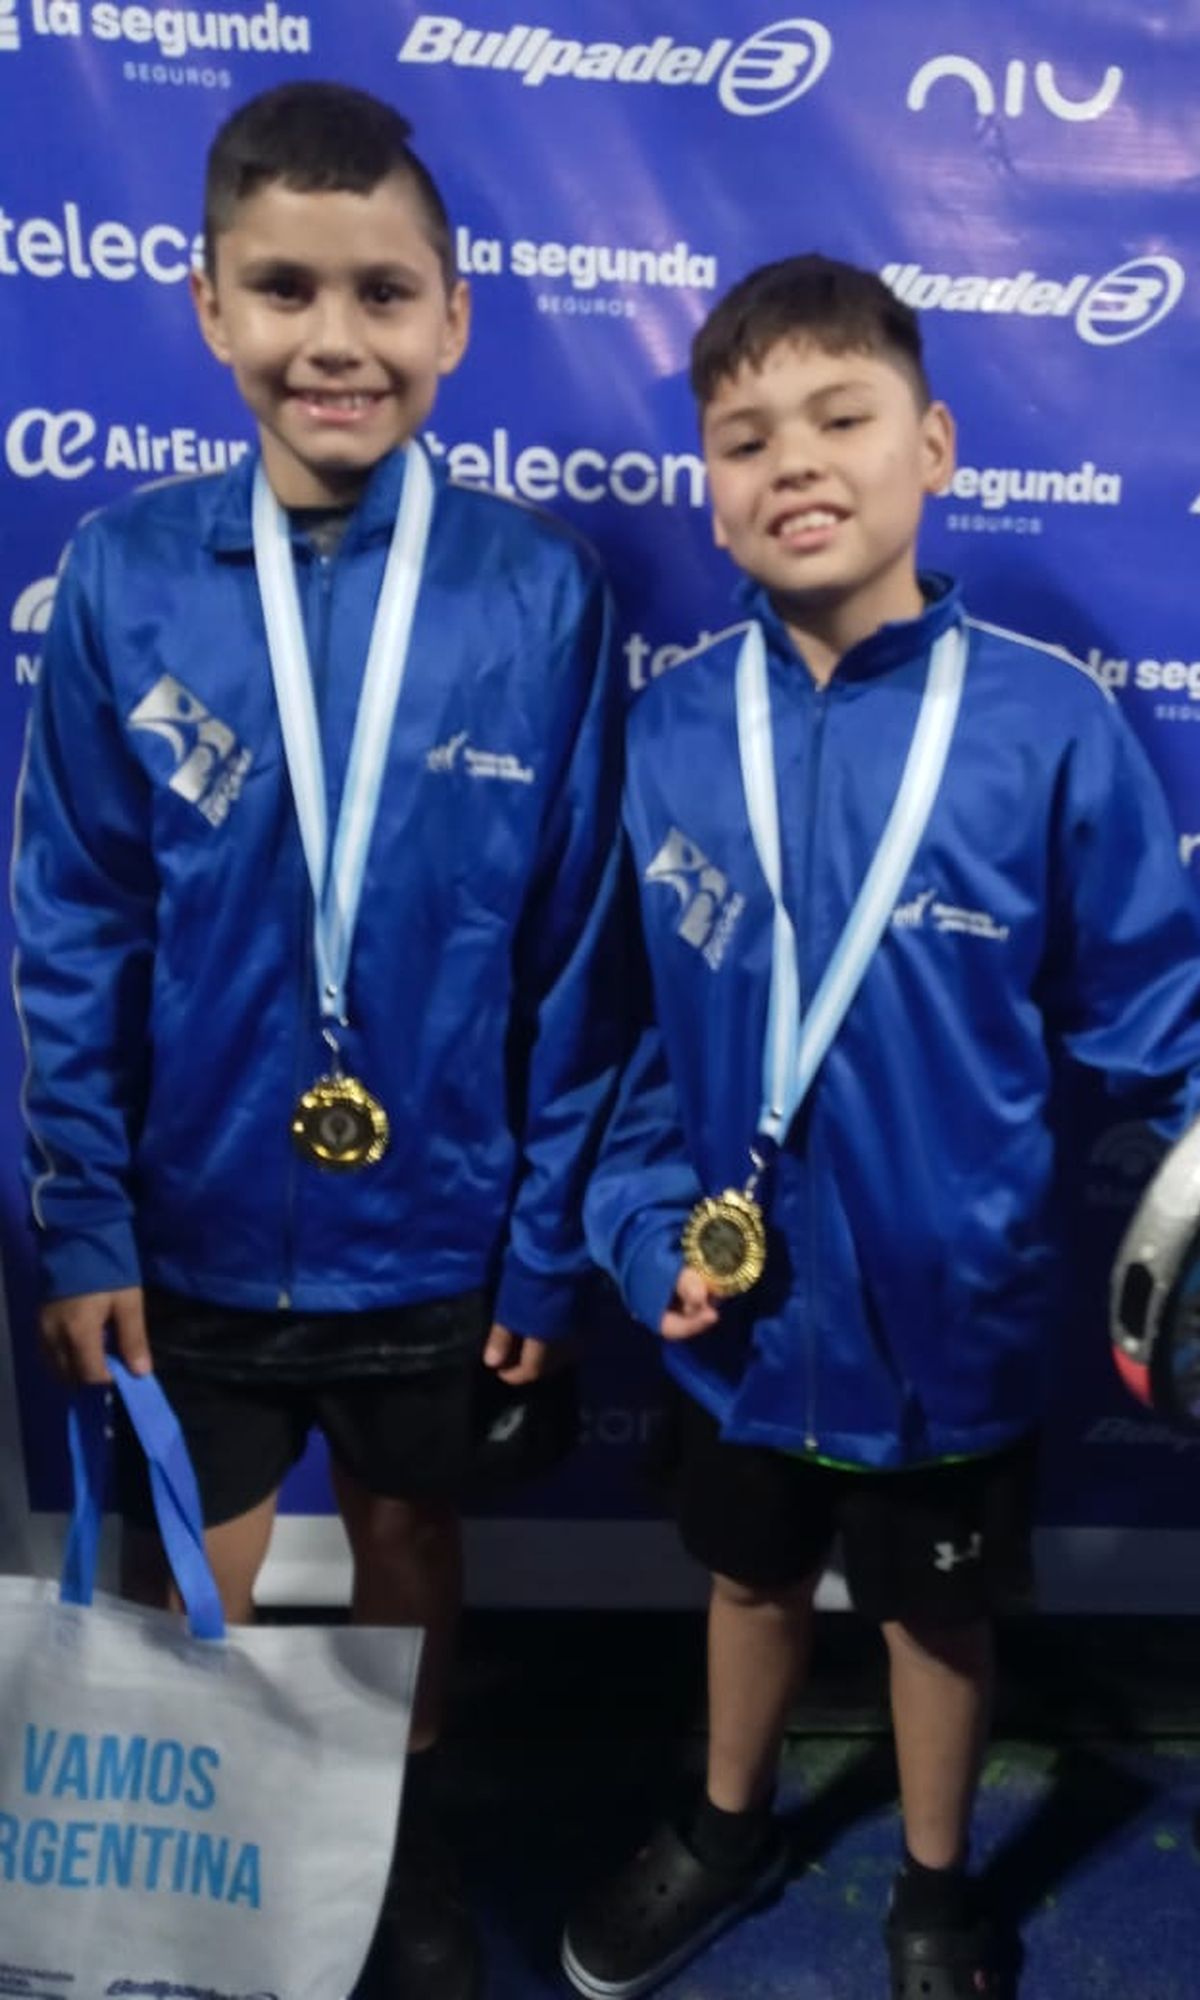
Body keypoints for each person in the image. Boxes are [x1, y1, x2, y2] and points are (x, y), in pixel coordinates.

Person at [567, 253, 1200, 2000]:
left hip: (948, 1326)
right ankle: (728, 1824)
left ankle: (938, 1891)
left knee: (934, 1611)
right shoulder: (664, 736)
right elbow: (621, 1047)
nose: (793, 462)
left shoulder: (1044, 727)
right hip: (735, 1320)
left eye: (840, 416)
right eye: (742, 437)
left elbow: (1155, 1017)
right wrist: (650, 1232)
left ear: (936, 444)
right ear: (707, 492)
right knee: (744, 1583)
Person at [12, 81, 622, 1999]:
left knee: (408, 1538)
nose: (333, 341)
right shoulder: (123, 578)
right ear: (207, 306)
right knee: (187, 1550)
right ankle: (183, 1853)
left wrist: (541, 1233)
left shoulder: (537, 594)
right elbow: (77, 922)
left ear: (453, 315)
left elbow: (579, 943)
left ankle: (401, 1837)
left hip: (436, 1220)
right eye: (284, 291)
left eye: (381, 294)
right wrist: (89, 1217)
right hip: (191, 1211)